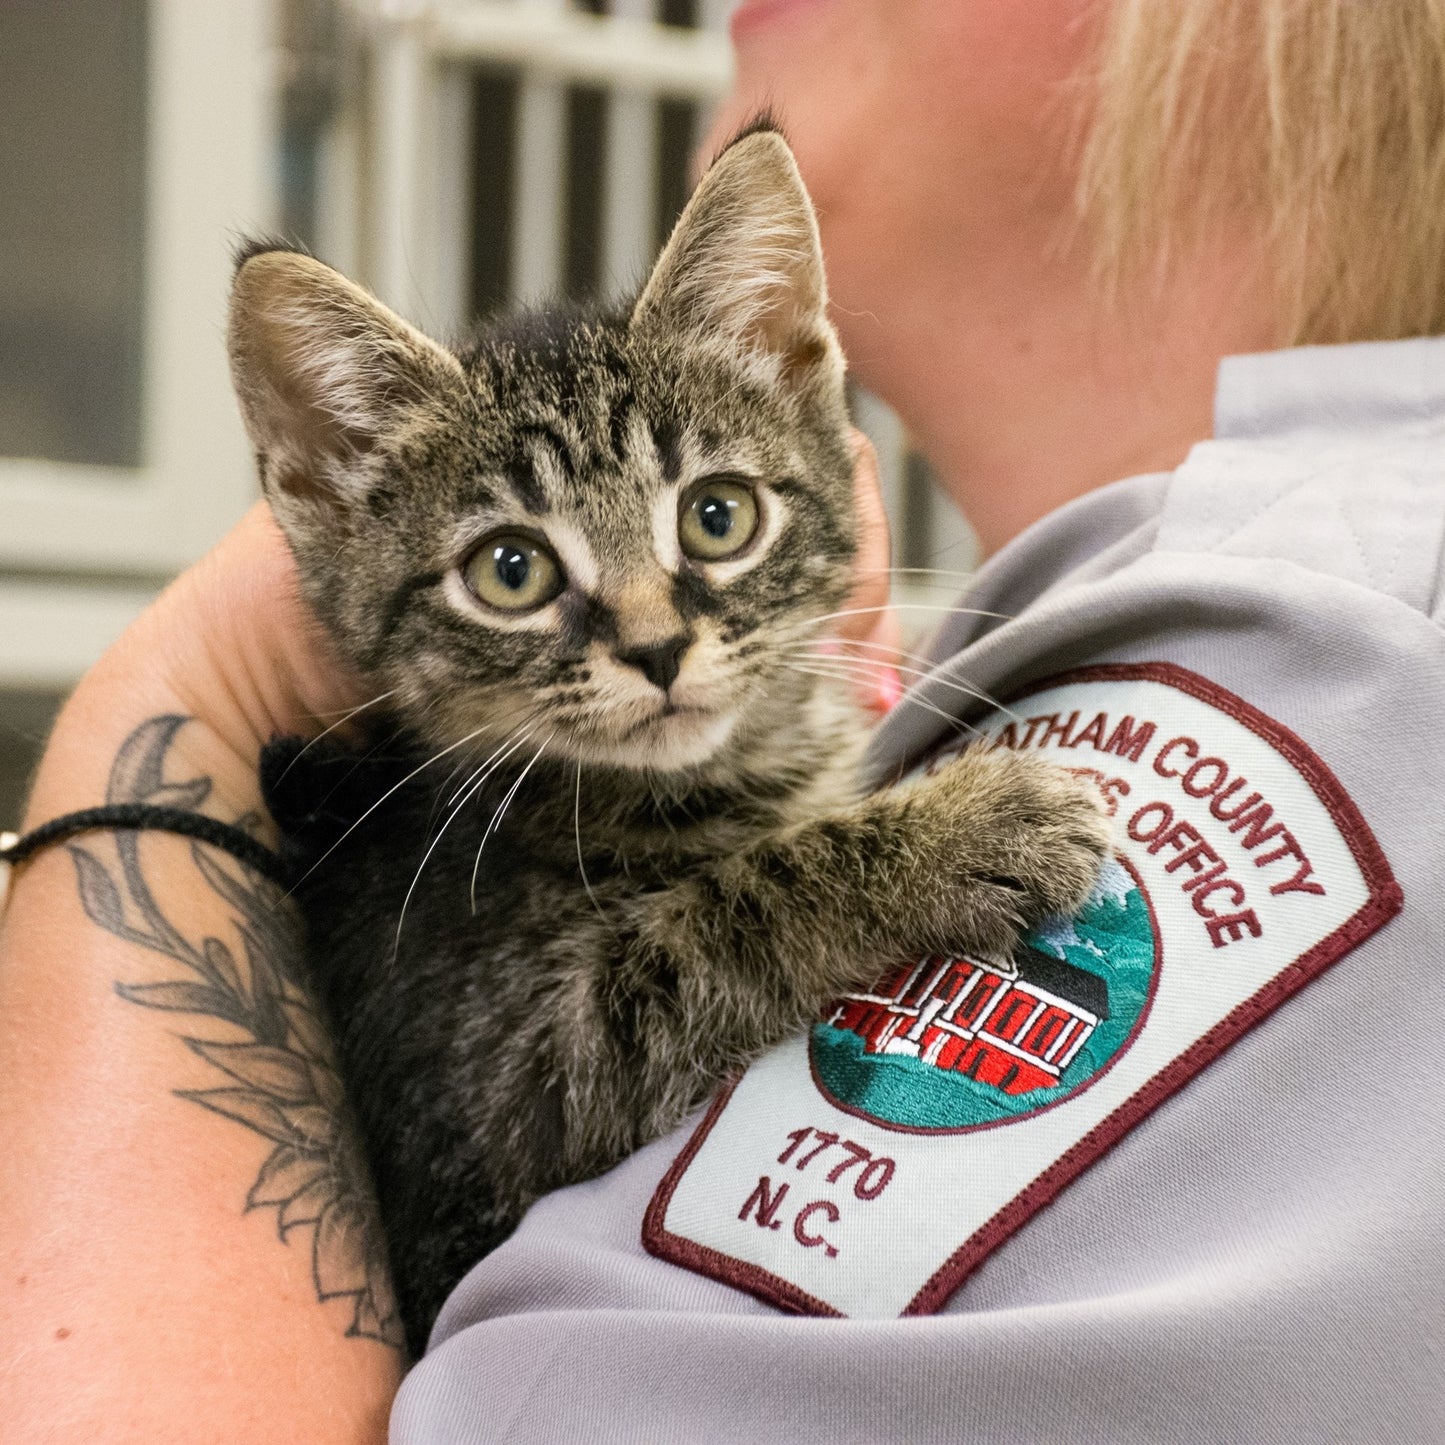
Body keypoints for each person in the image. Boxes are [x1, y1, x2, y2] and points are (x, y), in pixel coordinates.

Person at [3, 0, 1443, 1439]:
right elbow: (536, 1079)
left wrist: (164, 708)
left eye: (714, 515)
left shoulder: (1327, 650)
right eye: (518, 570)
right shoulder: (456, 866)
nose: (648, 630)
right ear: (323, 496)